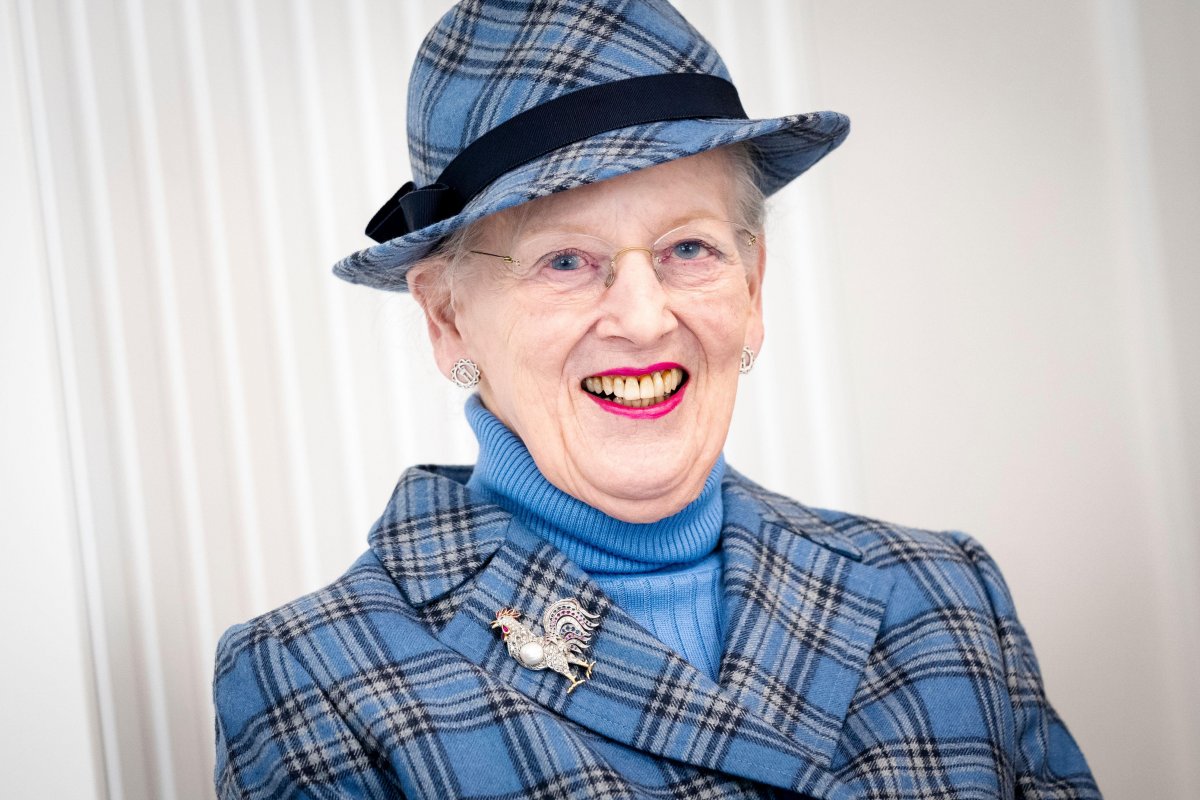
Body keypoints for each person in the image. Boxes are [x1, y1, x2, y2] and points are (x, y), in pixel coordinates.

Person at [212, 1, 1101, 798]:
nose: (644, 320)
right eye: (566, 260)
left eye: (689, 250)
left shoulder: (948, 596)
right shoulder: (313, 675)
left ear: (752, 288)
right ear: (448, 320)